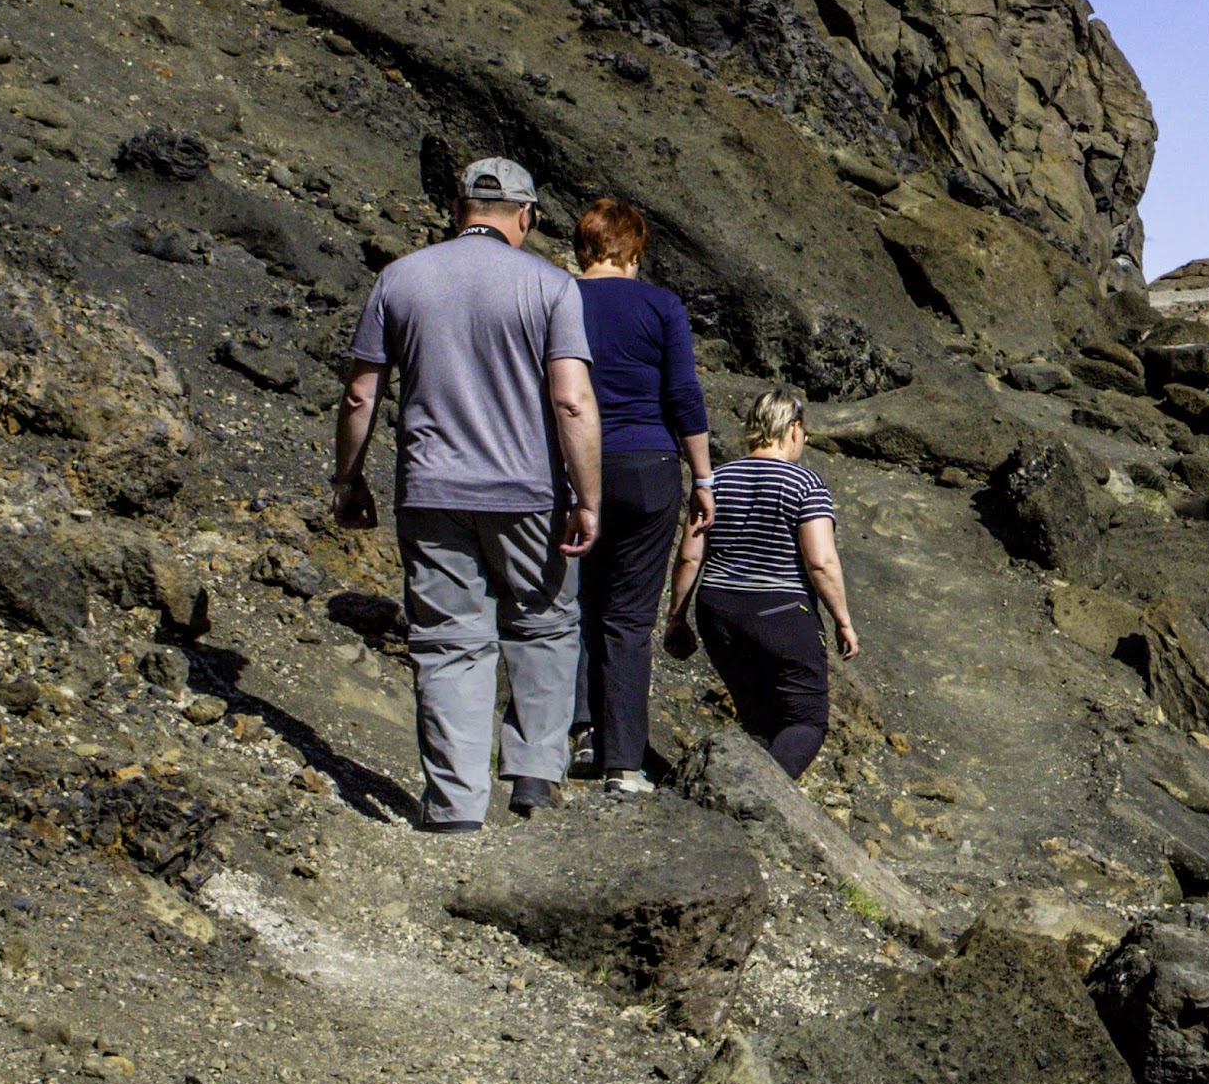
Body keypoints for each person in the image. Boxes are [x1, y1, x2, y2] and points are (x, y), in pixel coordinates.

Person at [332, 156, 601, 831]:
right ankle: (536, 774)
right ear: (527, 215)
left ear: (459, 211)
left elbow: (362, 392)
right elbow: (571, 403)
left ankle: (455, 807)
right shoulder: (551, 286)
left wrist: (349, 477)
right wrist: (588, 497)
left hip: (431, 490)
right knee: (545, 624)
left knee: (450, 642)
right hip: (529, 492)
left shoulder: (401, 279)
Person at [569, 198, 712, 795]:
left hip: (574, 465)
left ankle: (572, 735)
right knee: (628, 616)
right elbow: (682, 394)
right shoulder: (661, 305)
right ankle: (622, 762)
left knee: (572, 606)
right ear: (631, 251)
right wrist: (703, 478)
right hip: (649, 466)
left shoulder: (557, 296)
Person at [667, 391, 857, 779]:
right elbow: (819, 561)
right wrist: (842, 621)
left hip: (718, 612)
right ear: (792, 429)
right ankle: (758, 801)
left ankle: (729, 790)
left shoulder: (715, 481)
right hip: (781, 612)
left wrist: (676, 618)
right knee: (806, 722)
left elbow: (689, 556)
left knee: (758, 719)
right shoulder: (805, 484)